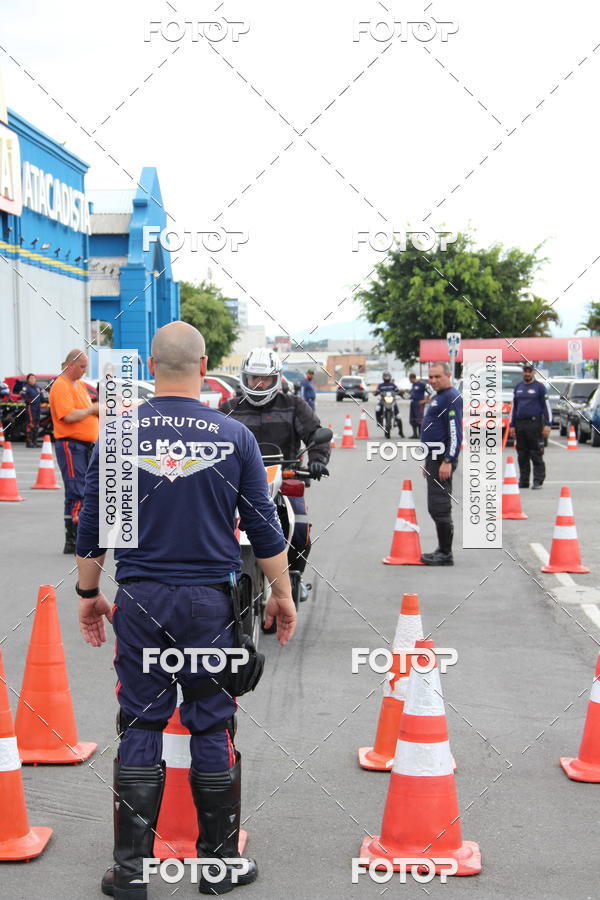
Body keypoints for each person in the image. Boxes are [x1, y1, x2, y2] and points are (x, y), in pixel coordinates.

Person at [76, 322, 297, 898]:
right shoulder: (234, 436)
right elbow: (264, 528)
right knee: (211, 719)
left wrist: (88, 596)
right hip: (209, 606)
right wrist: (283, 595)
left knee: (141, 722)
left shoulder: (119, 435)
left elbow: (93, 527)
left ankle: (130, 873)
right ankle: (218, 866)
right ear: (204, 367)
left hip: (142, 598)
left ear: (152, 367)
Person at [221, 348, 330, 601]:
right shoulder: (229, 407)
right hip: (236, 484)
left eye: (266, 379)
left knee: (300, 530)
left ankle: (294, 576)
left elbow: (317, 435)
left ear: (276, 379)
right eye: (253, 379)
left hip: (285, 480)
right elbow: (210, 441)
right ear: (244, 378)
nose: (259, 384)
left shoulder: (294, 405)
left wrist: (316, 461)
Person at [48, 350, 99, 554]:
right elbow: (67, 416)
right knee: (76, 490)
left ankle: (78, 535)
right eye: (82, 366)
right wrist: (92, 410)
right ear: (70, 365)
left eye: (86, 367)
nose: (84, 370)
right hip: (71, 445)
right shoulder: (61, 385)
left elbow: (82, 411)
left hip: (83, 446)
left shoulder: (77, 385)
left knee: (82, 490)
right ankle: (73, 538)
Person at [420, 361, 463, 566]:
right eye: (431, 377)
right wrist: (427, 460)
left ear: (448, 376)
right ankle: (442, 549)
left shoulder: (451, 397)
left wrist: (448, 460)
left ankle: (446, 554)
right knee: (435, 506)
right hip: (434, 459)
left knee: (440, 506)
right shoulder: (439, 397)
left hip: (442, 460)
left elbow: (455, 432)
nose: (434, 380)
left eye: (438, 376)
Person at [509, 363, 551, 490]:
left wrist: (547, 425)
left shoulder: (540, 387)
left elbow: (546, 407)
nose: (527, 374)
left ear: (534, 373)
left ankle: (538, 480)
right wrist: (512, 425)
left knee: (536, 453)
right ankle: (524, 481)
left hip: (535, 424)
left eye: (530, 371)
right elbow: (514, 408)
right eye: (525, 371)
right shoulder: (518, 387)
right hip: (520, 424)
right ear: (523, 372)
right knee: (522, 454)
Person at [374, 371, 403, 437]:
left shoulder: (393, 385)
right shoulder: (380, 385)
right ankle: (378, 421)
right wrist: (376, 393)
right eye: (385, 376)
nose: (386, 377)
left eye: (387, 376)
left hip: (392, 401)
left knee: (398, 415)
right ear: (383, 377)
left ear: (390, 377)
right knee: (377, 408)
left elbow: (397, 391)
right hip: (383, 401)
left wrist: (400, 393)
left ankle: (401, 431)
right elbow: (377, 392)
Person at [20, 374, 42, 447]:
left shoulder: (37, 387)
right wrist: (27, 401)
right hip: (31, 408)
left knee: (37, 424)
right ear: (28, 380)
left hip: (38, 407)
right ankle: (29, 442)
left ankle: (34, 441)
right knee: (31, 424)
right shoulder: (26, 387)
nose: (33, 380)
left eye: (34, 378)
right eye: (31, 378)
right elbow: (22, 394)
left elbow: (42, 395)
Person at [406, 372, 430, 439]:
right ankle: (414, 434)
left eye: (409, 379)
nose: (409, 381)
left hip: (419, 404)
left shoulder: (421, 384)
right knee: (412, 419)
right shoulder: (413, 385)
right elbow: (412, 393)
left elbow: (430, 391)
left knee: (419, 419)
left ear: (412, 378)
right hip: (413, 403)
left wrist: (425, 400)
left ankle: (421, 434)